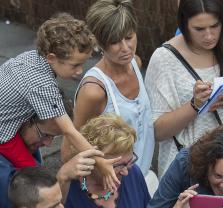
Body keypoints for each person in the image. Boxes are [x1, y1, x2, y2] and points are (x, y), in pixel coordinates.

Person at [0, 13, 120, 192]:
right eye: (74, 65)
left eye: (83, 64)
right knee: (35, 177)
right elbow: (69, 130)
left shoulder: (33, 56)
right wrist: (100, 162)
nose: (80, 71)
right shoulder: (42, 84)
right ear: (51, 58)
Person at [145, 0, 223, 175]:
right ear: (184, 24)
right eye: (199, 29)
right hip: (187, 170)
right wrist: (194, 105)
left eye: (214, 26)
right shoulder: (163, 58)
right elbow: (156, 131)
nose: (209, 36)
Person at [63, 0, 155, 179]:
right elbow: (70, 150)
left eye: (128, 37)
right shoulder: (94, 91)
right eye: (114, 42)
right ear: (99, 42)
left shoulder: (135, 63)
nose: (125, 48)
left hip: (143, 178)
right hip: (112, 186)